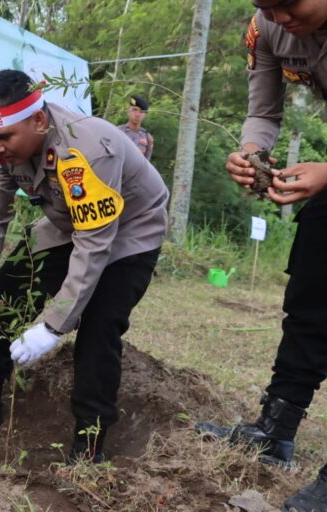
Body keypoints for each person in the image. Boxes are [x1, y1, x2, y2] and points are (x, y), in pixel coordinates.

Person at [0, 69, 169, 462]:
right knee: (8, 287)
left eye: (4, 137)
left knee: (98, 325)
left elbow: (94, 245)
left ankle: (88, 443)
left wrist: (54, 324)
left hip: (131, 230)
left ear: (39, 121)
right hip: (67, 221)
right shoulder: (0, 148)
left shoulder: (89, 148)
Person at [196, 2, 327, 510]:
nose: (279, 16)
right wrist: (251, 152)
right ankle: (274, 431)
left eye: (288, 2)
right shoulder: (267, 29)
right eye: (266, 4)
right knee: (310, 293)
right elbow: (263, 111)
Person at [117, 95, 154, 161]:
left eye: (141, 112)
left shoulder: (148, 138)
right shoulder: (117, 132)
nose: (137, 114)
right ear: (128, 111)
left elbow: (146, 163)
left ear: (145, 115)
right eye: (134, 110)